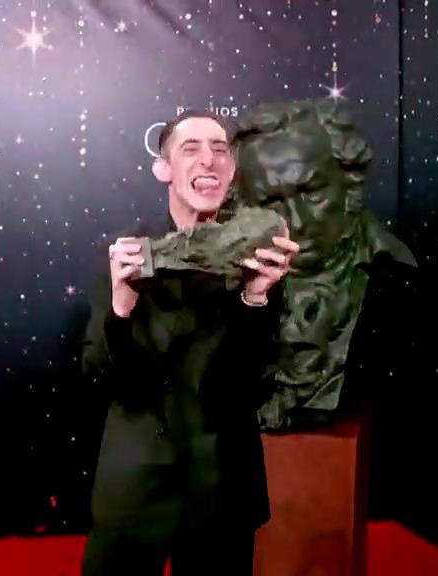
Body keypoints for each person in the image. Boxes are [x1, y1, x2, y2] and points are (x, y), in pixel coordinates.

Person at [80, 109, 299, 575]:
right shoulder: (124, 253)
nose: (209, 160)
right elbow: (98, 374)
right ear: (163, 168)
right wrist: (121, 308)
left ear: (232, 170)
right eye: (191, 149)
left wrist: (255, 297)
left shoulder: (260, 255)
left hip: (221, 486)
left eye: (220, 150)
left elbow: (254, 383)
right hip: (136, 485)